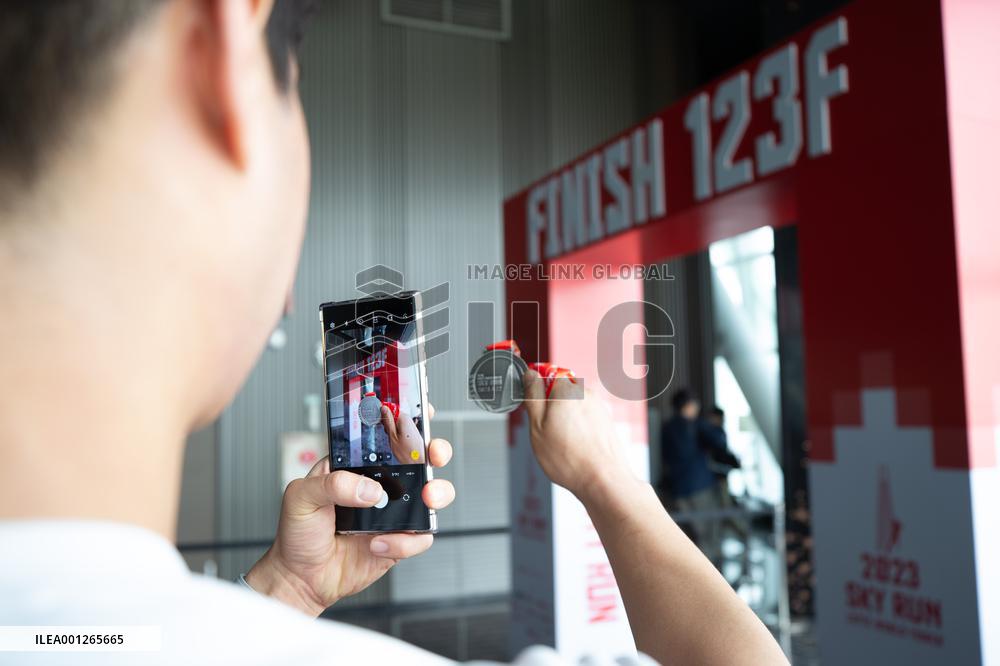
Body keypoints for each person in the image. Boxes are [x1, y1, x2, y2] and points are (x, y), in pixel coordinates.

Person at [0, 2, 787, 665]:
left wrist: (284, 593)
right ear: (226, 58)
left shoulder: (57, 636)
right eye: (296, 69)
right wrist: (613, 486)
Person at [660, 390, 737, 565]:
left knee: (691, 537)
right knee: (709, 536)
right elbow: (719, 442)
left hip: (678, 490)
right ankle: (712, 582)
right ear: (689, 406)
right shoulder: (695, 425)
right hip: (701, 488)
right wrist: (715, 425)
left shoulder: (667, 428)